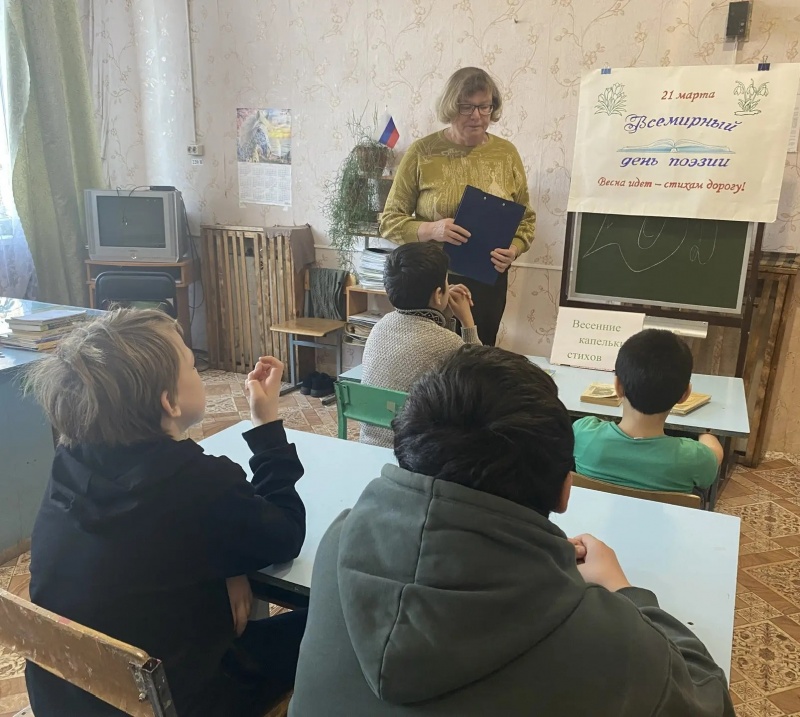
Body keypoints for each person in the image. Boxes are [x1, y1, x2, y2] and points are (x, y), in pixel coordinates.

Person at [289, 345, 734, 717]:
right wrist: (624, 591)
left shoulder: (340, 540)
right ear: (565, 490)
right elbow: (710, 700)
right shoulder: (614, 641)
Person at [24, 308, 307, 717]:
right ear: (169, 402)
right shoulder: (199, 484)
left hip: (77, 697)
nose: (198, 371)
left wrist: (229, 565)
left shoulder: (69, 463)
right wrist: (266, 426)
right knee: (329, 620)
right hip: (180, 701)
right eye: (192, 365)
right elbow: (286, 535)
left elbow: (154, 546)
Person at [379, 66, 535, 346]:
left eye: (484, 106)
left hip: (487, 280)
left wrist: (513, 249)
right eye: (466, 107)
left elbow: (526, 219)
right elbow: (389, 221)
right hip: (432, 283)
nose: (477, 116)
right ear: (451, 107)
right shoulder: (422, 152)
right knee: (432, 360)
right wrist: (433, 230)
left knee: (478, 359)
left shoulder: (506, 154)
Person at [573, 328, 723, 493]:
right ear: (685, 394)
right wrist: (706, 432)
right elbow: (715, 456)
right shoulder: (694, 458)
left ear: (618, 386)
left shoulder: (583, 433)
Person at [360, 242, 480, 448]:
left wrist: (443, 312)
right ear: (438, 294)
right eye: (447, 282)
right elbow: (480, 376)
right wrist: (467, 321)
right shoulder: (447, 342)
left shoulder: (380, 325)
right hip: (414, 451)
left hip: (369, 443)